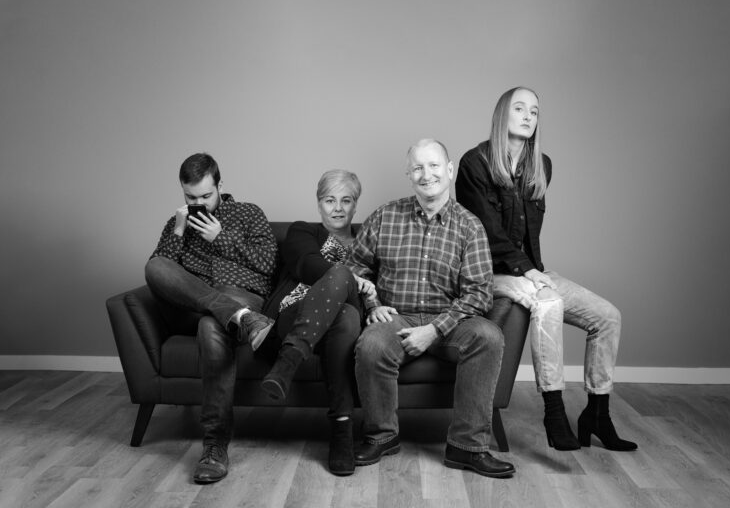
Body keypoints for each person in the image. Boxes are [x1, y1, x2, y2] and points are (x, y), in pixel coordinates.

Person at [456, 87, 637, 452]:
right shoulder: (474, 163)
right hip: (490, 272)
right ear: (501, 115)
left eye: (534, 111)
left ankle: (597, 414)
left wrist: (534, 271)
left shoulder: (542, 165)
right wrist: (528, 273)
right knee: (549, 303)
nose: (527, 116)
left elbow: (526, 234)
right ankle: (554, 413)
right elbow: (488, 234)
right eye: (519, 108)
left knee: (608, 317)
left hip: (531, 270)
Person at [346, 139, 515, 479]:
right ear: (409, 174)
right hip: (396, 315)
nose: (427, 174)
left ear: (449, 171)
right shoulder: (384, 216)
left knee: (489, 337)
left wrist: (434, 330)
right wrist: (372, 303)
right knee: (372, 344)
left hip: (451, 320)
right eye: (418, 167)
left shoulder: (470, 225)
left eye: (434, 165)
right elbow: (354, 268)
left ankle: (467, 448)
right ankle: (382, 436)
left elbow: (479, 294)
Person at [144, 152, 278, 483]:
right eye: (191, 197)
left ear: (220, 185)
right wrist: (177, 230)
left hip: (240, 293)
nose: (200, 203)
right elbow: (162, 272)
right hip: (190, 304)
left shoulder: (248, 213)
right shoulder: (177, 223)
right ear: (182, 192)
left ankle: (215, 445)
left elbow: (268, 266)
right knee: (155, 265)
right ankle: (241, 318)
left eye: (206, 195)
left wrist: (222, 238)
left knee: (212, 323)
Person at [259, 169, 375, 476]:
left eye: (346, 200)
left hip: (348, 321)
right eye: (329, 200)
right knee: (341, 289)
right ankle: (341, 430)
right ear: (318, 203)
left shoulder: (369, 242)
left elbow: (380, 290)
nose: (337, 208)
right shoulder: (303, 232)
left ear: (355, 205)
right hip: (293, 314)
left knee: (349, 312)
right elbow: (306, 264)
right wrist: (347, 275)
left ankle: (289, 361)